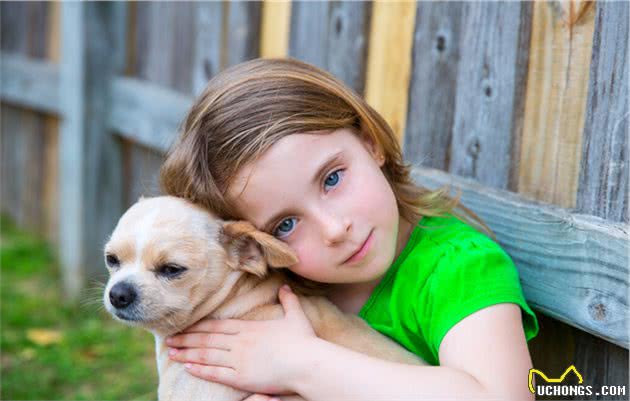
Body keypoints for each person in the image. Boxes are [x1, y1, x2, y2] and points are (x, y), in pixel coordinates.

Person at [158, 58, 539, 400]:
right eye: (285, 225)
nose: (334, 229)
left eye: (332, 179)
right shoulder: (276, 289)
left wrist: (301, 364)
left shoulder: (457, 270)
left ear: (370, 142)